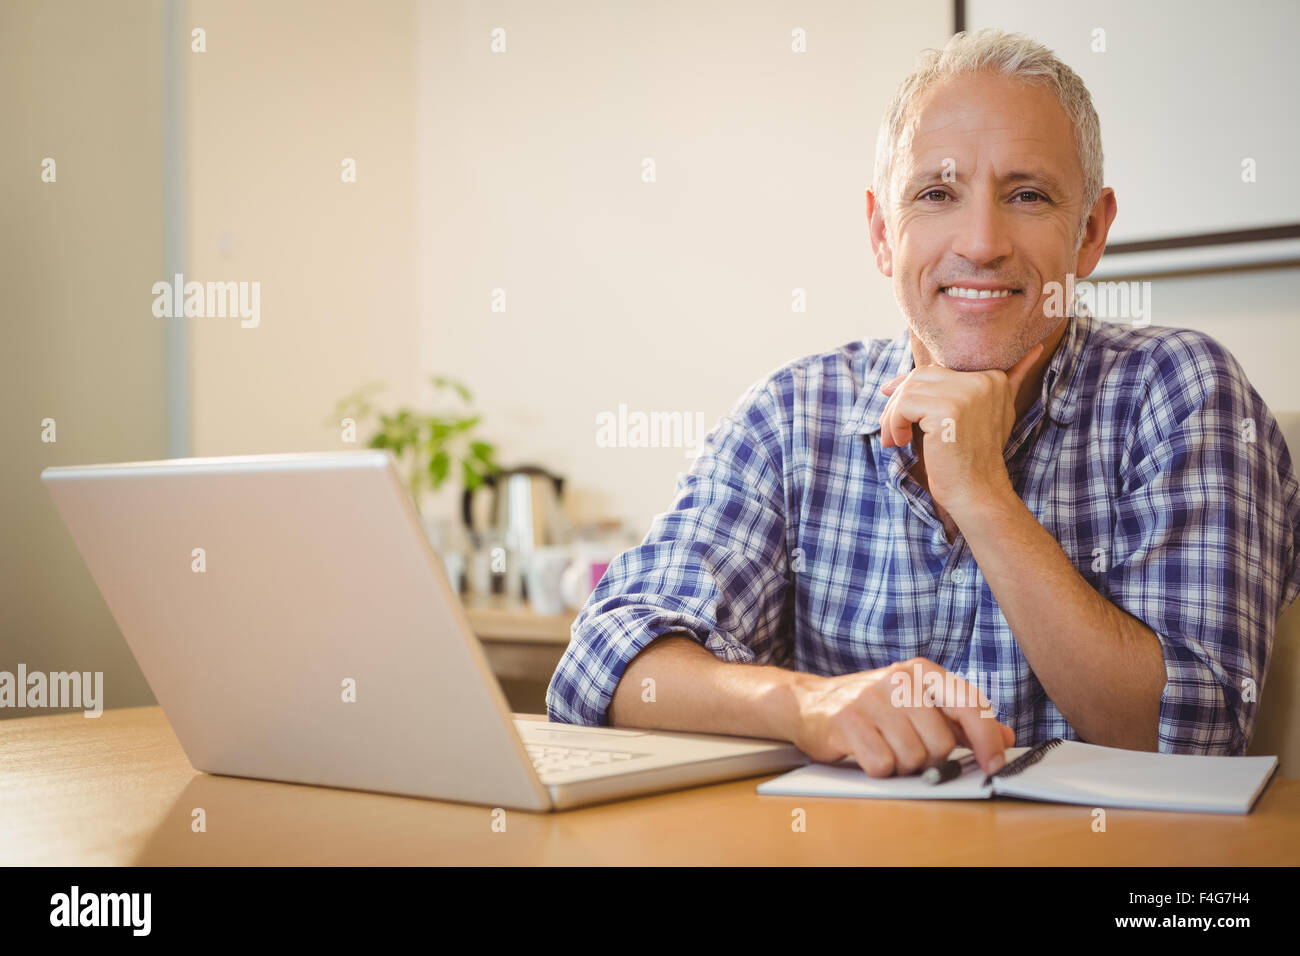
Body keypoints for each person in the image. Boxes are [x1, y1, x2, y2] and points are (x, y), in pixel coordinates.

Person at [547, 29, 1300, 777]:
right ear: (882, 233)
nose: (980, 242)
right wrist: (810, 706)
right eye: (937, 194)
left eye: (1027, 195)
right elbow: (604, 665)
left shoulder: (1185, 393)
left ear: (1090, 233)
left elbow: (1192, 738)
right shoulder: (792, 414)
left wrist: (982, 494)